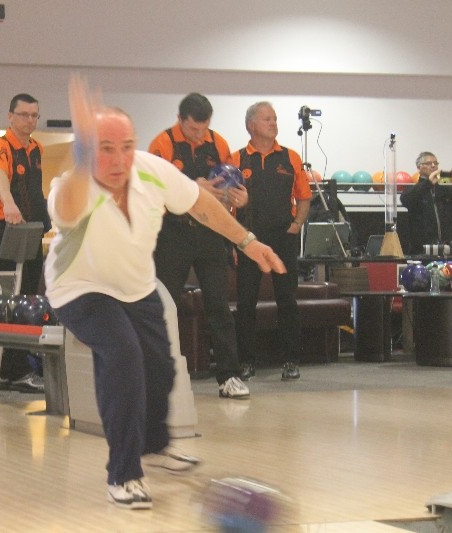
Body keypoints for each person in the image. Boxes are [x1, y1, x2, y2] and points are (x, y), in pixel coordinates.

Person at [44, 76, 285, 510]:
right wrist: (81, 161)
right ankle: (123, 473)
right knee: (123, 357)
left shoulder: (151, 170)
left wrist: (248, 242)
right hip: (80, 289)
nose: (119, 159)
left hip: (137, 287)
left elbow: (201, 204)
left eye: (125, 146)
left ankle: (154, 446)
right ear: (87, 150)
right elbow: (66, 209)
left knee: (161, 367)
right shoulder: (73, 185)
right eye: (104, 148)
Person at [149, 93, 250, 399]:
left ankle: (229, 376)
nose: (198, 135)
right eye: (193, 129)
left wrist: (239, 198)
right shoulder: (162, 144)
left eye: (203, 129)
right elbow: (151, 190)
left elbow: (232, 185)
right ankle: (158, 375)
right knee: (164, 304)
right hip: (172, 233)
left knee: (219, 306)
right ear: (180, 121)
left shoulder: (218, 143)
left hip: (209, 231)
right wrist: (191, 188)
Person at [231, 101, 311, 382]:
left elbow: (304, 196)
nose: (273, 123)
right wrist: (234, 239)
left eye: (275, 118)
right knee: (246, 303)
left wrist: (296, 225)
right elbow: (225, 203)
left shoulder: (290, 157)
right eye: (267, 119)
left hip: (283, 238)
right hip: (248, 240)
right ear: (251, 125)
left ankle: (291, 360)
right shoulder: (236, 159)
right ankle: (245, 362)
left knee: (287, 300)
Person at [0, 94, 51, 393]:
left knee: (28, 300)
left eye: (34, 115)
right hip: (6, 231)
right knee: (12, 299)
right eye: (24, 115)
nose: (30, 121)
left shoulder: (37, 149)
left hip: (32, 231)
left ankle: (18, 368)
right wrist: (9, 203)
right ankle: (13, 370)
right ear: (10, 116)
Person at [400, 151, 452, 255]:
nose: (433, 166)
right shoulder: (414, 189)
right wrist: (428, 183)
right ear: (419, 167)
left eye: (435, 163)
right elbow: (405, 200)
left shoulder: (446, 189)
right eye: (428, 163)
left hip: (448, 247)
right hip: (422, 249)